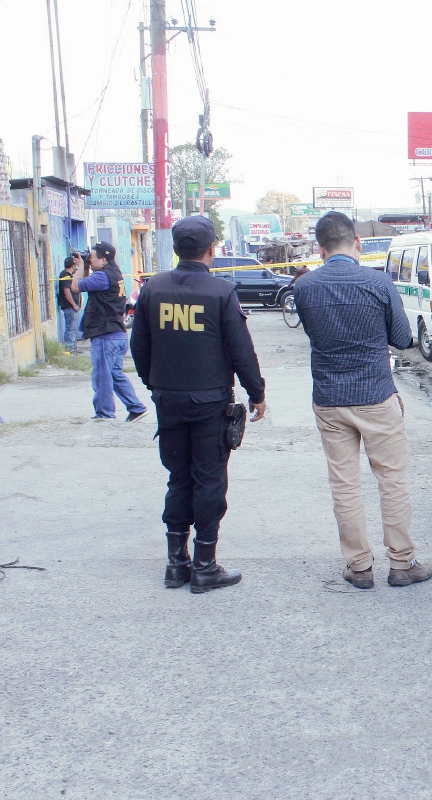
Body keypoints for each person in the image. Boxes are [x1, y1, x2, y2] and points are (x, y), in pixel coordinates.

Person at [292, 211, 430, 591]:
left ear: (320, 249)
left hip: (330, 398)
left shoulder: (304, 288)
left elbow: (316, 335)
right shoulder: (378, 282)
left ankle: (359, 566)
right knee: (392, 481)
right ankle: (402, 564)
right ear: (356, 242)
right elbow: (403, 339)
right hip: (376, 395)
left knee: (344, 484)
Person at [130, 216, 266, 593]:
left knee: (178, 477)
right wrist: (257, 393)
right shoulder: (220, 292)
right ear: (212, 249)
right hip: (210, 403)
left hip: (168, 400)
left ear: (176, 249)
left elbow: (139, 347)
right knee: (209, 480)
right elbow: (241, 351)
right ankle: (204, 566)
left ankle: (177, 564)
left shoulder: (152, 289)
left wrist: (155, 383)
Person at [69, 242, 149, 421]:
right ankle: (136, 407)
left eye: (93, 257)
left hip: (106, 335)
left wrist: (80, 266)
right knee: (114, 374)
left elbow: (75, 287)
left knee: (102, 376)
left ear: (103, 259)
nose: (90, 259)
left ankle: (104, 414)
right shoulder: (114, 274)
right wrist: (87, 265)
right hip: (117, 334)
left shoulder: (102, 277)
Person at [57, 254, 82, 353]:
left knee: (73, 328)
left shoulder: (71, 275)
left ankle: (73, 347)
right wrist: (74, 305)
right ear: (73, 265)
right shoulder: (65, 276)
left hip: (73, 306)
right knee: (70, 328)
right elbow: (67, 292)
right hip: (69, 307)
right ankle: (70, 348)